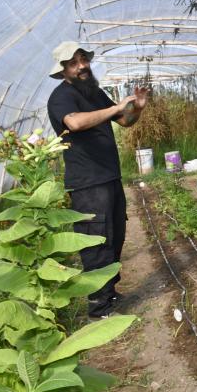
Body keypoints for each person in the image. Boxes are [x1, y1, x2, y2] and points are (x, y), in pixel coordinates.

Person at [46, 41, 148, 318]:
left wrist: (135, 107)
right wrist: (116, 107)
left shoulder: (93, 92)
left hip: (109, 177)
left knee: (115, 237)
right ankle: (98, 309)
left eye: (83, 59)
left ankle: (110, 295)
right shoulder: (61, 97)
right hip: (87, 183)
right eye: (74, 63)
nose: (82, 66)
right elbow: (75, 123)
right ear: (64, 70)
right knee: (95, 243)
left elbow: (124, 121)